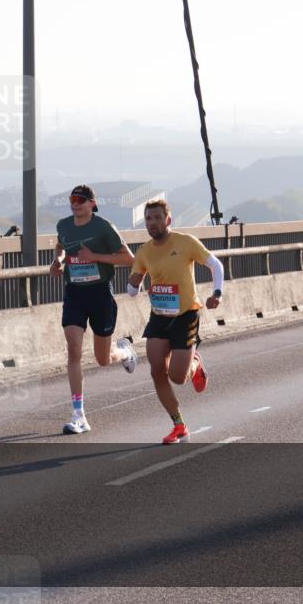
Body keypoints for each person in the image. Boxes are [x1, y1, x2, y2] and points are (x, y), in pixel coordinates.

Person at [127, 200, 224, 444]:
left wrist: (217, 293)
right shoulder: (144, 252)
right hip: (159, 316)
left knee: (177, 377)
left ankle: (195, 363)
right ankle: (178, 424)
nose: (153, 223)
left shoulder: (185, 242)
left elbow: (216, 265)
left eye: (158, 218)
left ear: (168, 220)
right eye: (148, 219)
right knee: (156, 370)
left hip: (185, 316)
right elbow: (131, 290)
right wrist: (135, 282)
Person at [50, 184, 138, 435]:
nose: (75, 203)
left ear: (92, 204)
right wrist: (58, 261)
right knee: (73, 349)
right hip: (75, 293)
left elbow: (129, 259)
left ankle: (124, 352)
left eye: (80, 199)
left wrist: (95, 257)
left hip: (100, 294)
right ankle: (79, 415)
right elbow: (61, 246)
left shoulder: (104, 227)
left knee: (103, 359)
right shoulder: (63, 225)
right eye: (72, 199)